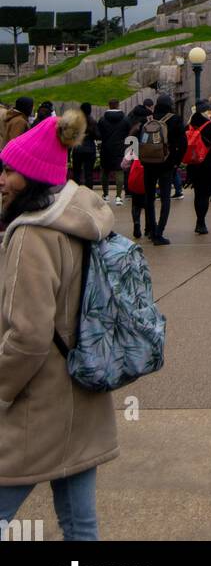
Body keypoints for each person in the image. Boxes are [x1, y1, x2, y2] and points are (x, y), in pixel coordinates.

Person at [0, 109, 118, 539]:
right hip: (82, 383)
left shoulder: (31, 235)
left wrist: (2, 388)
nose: (2, 178)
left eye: (10, 171)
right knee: (80, 523)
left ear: (31, 177)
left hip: (36, 397)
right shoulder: (83, 221)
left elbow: (28, 335)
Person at [141, 95, 185, 246]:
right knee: (165, 199)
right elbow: (183, 144)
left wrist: (141, 159)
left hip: (148, 163)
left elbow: (135, 139)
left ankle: (151, 230)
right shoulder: (175, 120)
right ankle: (159, 233)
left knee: (149, 198)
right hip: (166, 164)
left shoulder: (147, 119)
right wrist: (176, 163)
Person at [185, 105, 211, 234]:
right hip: (208, 165)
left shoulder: (188, 126)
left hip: (193, 165)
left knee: (198, 194)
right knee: (205, 195)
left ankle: (199, 221)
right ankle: (201, 221)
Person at [97, 99, 129, 205]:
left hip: (106, 148)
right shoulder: (125, 119)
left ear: (109, 106)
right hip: (120, 148)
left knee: (105, 171)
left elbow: (99, 134)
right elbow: (128, 131)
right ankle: (118, 197)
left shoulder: (102, 120)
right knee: (119, 171)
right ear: (118, 105)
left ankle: (106, 195)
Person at [70, 101, 100, 190]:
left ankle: (76, 190)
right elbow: (98, 136)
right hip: (90, 149)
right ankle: (88, 191)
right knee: (89, 173)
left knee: (76, 172)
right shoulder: (93, 122)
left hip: (78, 149)